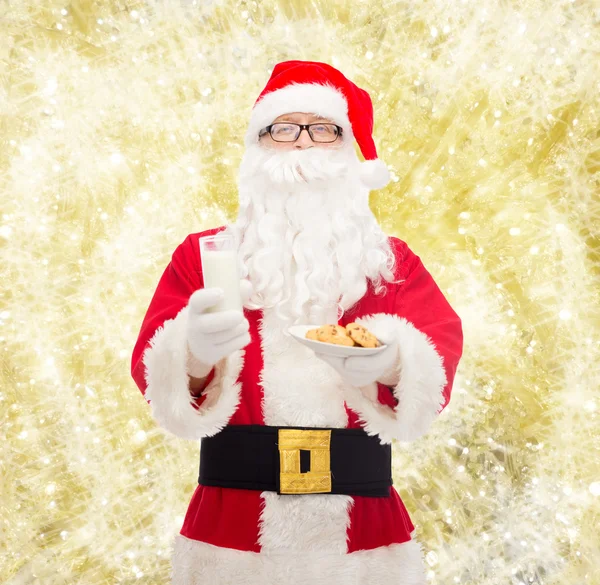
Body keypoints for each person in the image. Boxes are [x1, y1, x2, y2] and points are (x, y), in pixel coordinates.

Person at [131, 60, 464, 585]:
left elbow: (436, 365)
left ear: (347, 150)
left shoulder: (391, 263)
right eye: (284, 130)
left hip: (362, 535)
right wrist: (193, 352)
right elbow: (158, 378)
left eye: (323, 129)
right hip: (231, 532)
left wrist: (390, 359)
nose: (304, 144)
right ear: (257, 148)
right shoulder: (202, 256)